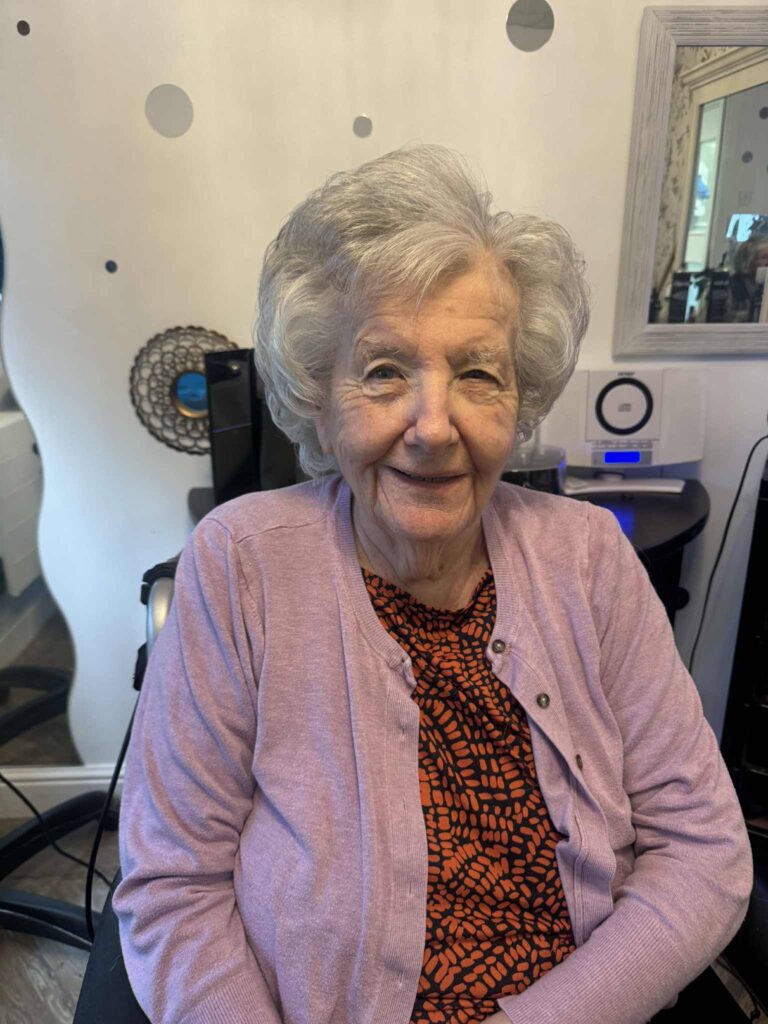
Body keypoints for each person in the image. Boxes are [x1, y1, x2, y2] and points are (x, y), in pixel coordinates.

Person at [111, 143, 753, 1024]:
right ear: (318, 395)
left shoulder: (588, 558)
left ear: (519, 401)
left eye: (478, 373)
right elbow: (173, 887)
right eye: (384, 372)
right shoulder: (242, 566)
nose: (434, 426)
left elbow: (705, 851)